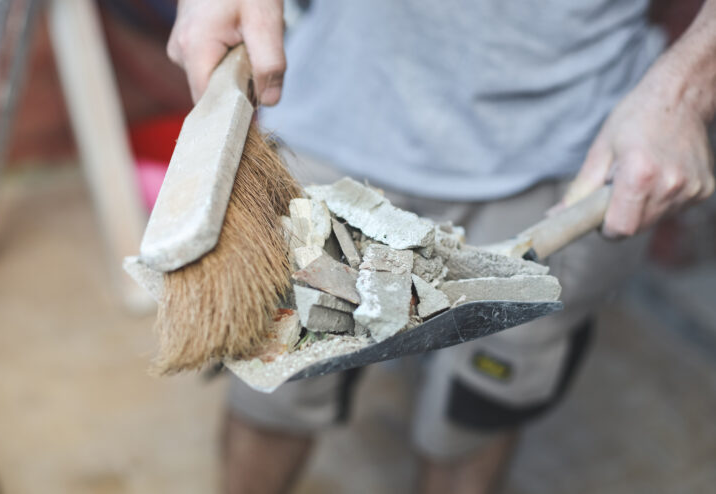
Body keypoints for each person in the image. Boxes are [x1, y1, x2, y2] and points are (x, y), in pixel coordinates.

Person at [166, 1, 716, 493]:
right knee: (271, 395)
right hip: (330, 122)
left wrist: (687, 89)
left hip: (559, 157)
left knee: (476, 413)